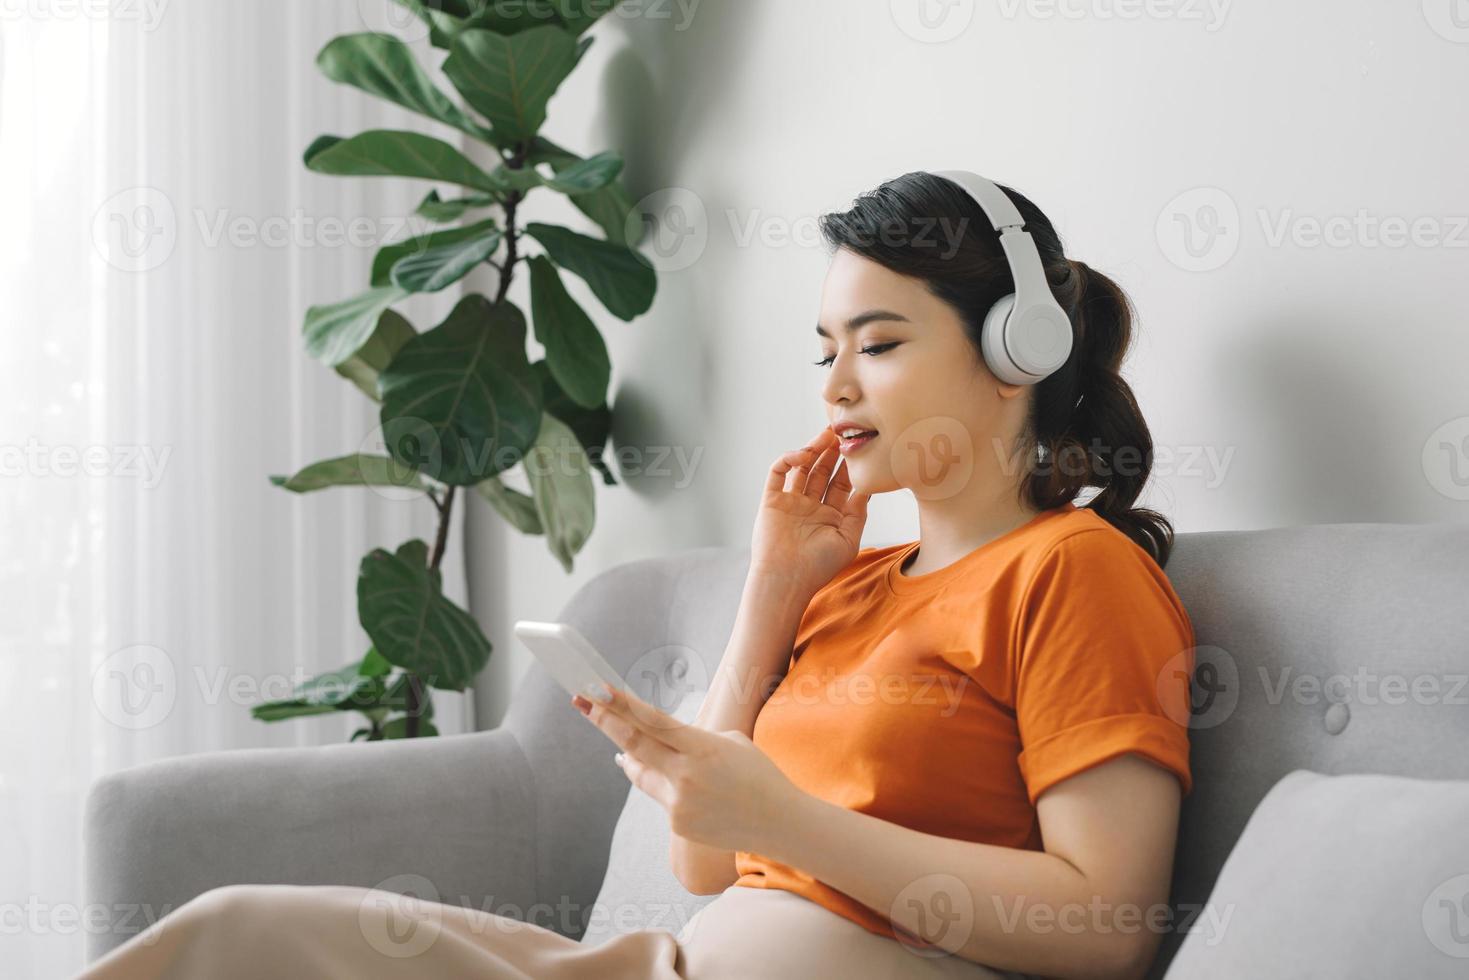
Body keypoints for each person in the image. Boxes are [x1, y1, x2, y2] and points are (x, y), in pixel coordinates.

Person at [75, 171, 1194, 980]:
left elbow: (1105, 925)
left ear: (1018, 352)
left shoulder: (1070, 571)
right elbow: (703, 858)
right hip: (661, 966)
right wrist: (772, 589)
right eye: (824, 349)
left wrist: (792, 821)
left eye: (880, 342)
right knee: (233, 937)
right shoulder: (854, 583)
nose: (833, 387)